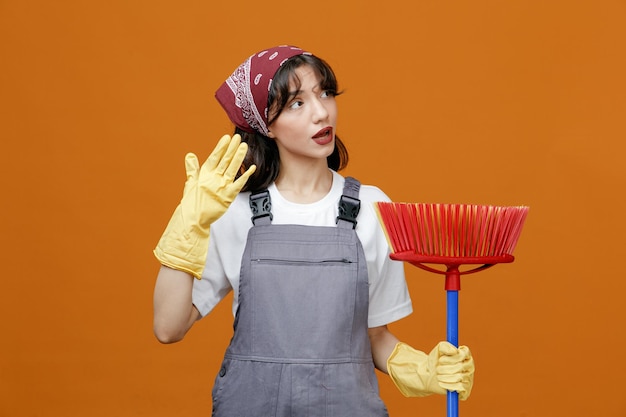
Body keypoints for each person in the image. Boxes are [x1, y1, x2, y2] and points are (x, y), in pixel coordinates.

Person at [152, 45, 474, 416]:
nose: (322, 112)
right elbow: (168, 327)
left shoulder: (372, 209)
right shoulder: (232, 211)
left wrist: (421, 369)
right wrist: (187, 227)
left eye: (325, 93)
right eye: (297, 103)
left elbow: (374, 336)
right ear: (265, 125)